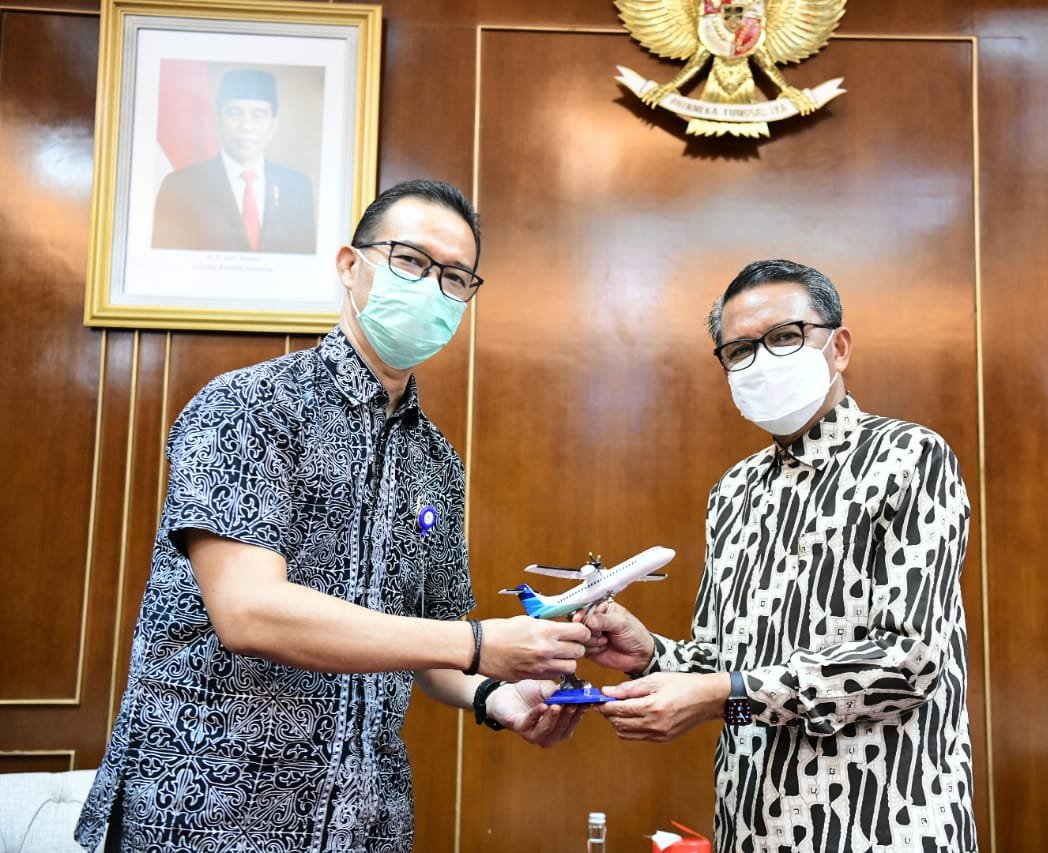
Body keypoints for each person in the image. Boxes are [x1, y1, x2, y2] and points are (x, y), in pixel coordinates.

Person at [76, 179, 592, 851]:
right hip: (210, 812)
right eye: (411, 261)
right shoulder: (250, 406)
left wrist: (495, 696)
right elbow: (249, 611)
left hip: (365, 821)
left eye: (455, 277)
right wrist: (473, 644)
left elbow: (427, 642)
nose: (432, 288)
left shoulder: (438, 460)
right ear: (351, 266)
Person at [584, 259, 975, 853]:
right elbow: (729, 671)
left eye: (785, 337)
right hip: (752, 825)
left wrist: (727, 692)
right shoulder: (733, 491)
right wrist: (651, 655)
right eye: (740, 350)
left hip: (883, 825)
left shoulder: (909, 457)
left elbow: (910, 660)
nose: (762, 361)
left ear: (838, 347)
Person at [152, 68, 317, 254]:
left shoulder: (297, 188)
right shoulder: (180, 186)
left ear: (273, 125)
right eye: (235, 113)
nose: (246, 127)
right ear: (218, 120)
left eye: (258, 115)